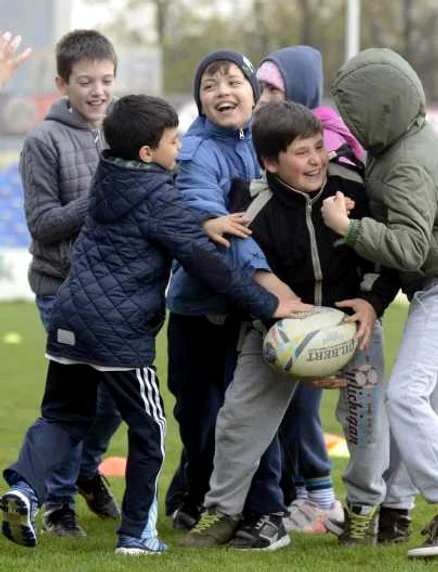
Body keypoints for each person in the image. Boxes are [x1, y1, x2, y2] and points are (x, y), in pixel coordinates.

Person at [0, 94, 310, 555]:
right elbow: (208, 265)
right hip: (118, 335)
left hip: (68, 322)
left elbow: (161, 220)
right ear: (148, 154)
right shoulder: (161, 198)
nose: (180, 147)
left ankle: (24, 489)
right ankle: (136, 537)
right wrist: (267, 305)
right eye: (172, 140)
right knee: (150, 432)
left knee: (61, 418)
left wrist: (199, 220)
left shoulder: (106, 175)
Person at [180, 100, 400, 551]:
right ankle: (221, 512)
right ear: (270, 161)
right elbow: (240, 276)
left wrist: (374, 303)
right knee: (238, 418)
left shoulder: (352, 184)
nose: (316, 160)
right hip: (277, 331)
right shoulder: (250, 203)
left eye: (318, 148)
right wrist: (285, 335)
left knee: (365, 423)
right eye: (302, 152)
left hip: (353, 325)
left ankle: (361, 513)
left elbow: (388, 253)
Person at [321, 48, 438, 559]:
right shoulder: (403, 142)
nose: (350, 120)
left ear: (376, 108)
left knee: (407, 398)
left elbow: (411, 247)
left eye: (354, 110)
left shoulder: (406, 163)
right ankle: (395, 514)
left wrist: (347, 228)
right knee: (425, 403)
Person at [164, 49, 278, 530]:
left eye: (232, 81)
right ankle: (197, 494)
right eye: (210, 85)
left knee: (251, 413)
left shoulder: (270, 143)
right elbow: (201, 210)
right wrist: (208, 218)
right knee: (197, 412)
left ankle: (261, 509)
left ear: (252, 89)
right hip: (198, 305)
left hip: (250, 306)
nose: (222, 92)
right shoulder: (195, 150)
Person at [19, 29, 122, 538]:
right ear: (63, 83)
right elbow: (43, 224)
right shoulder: (43, 141)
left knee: (119, 399)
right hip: (61, 289)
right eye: (86, 81)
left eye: (106, 79)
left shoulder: (121, 132)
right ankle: (59, 505)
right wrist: (101, 194)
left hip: (117, 290)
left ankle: (85, 468)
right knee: (75, 398)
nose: (98, 91)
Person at [256, 44, 354, 534]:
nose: (263, 97)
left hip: (326, 309)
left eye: (274, 88)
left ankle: (324, 500)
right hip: (285, 302)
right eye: (263, 88)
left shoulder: (333, 147)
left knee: (309, 406)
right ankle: (307, 496)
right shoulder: (268, 141)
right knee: (289, 408)